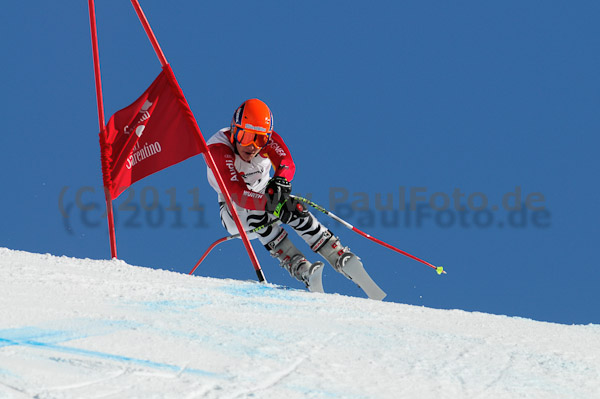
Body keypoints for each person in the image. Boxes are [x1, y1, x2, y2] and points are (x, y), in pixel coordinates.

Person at [206, 98, 379, 296]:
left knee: (293, 209)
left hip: (264, 193)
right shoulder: (218, 148)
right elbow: (236, 192)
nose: (253, 146)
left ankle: (338, 254)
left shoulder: (266, 143)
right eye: (245, 136)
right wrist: (270, 202)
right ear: (234, 130)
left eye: (260, 139)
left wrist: (280, 182)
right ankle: (299, 266)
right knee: (257, 216)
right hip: (234, 211)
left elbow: (286, 162)